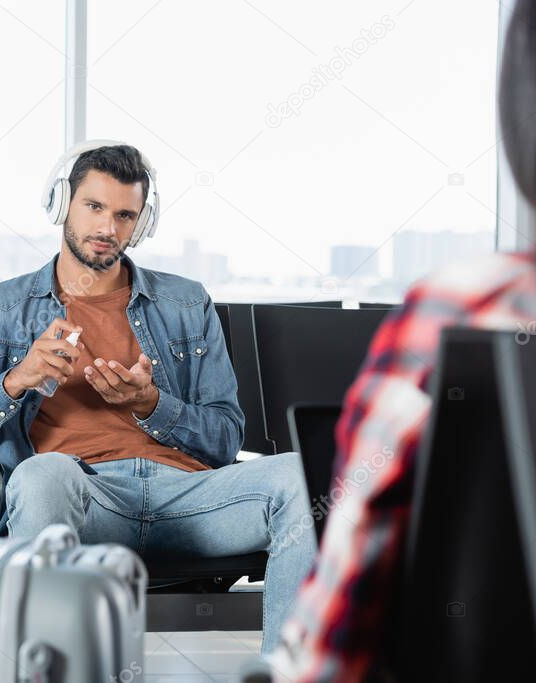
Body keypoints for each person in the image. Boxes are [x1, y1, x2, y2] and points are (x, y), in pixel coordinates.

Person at [0, 140, 317, 653]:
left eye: (125, 214)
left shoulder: (185, 302)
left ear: (142, 223)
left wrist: (152, 405)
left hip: (190, 502)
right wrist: (16, 378)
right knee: (42, 473)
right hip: (85, 499)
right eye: (94, 207)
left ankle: (288, 671)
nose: (108, 229)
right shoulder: (0, 309)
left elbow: (224, 441)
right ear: (61, 204)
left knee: (302, 476)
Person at [268, 2, 536, 678]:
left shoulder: (466, 306)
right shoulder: (10, 309)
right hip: (79, 478)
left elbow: (333, 654)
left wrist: (157, 404)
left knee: (287, 490)